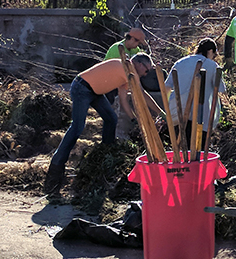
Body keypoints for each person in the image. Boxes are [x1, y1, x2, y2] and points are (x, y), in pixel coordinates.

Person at [44, 53, 161, 195]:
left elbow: (124, 100)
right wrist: (162, 113)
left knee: (111, 119)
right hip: (81, 87)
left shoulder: (128, 72)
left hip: (95, 92)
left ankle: (106, 151)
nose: (145, 74)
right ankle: (55, 169)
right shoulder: (127, 68)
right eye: (147, 70)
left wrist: (133, 119)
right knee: (77, 127)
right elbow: (141, 94)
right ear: (140, 64)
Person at [167, 38, 226, 142]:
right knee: (199, 150)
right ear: (210, 51)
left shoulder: (180, 63)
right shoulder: (212, 66)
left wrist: (166, 109)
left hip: (178, 112)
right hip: (201, 116)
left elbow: (166, 87)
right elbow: (222, 91)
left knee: (181, 148)